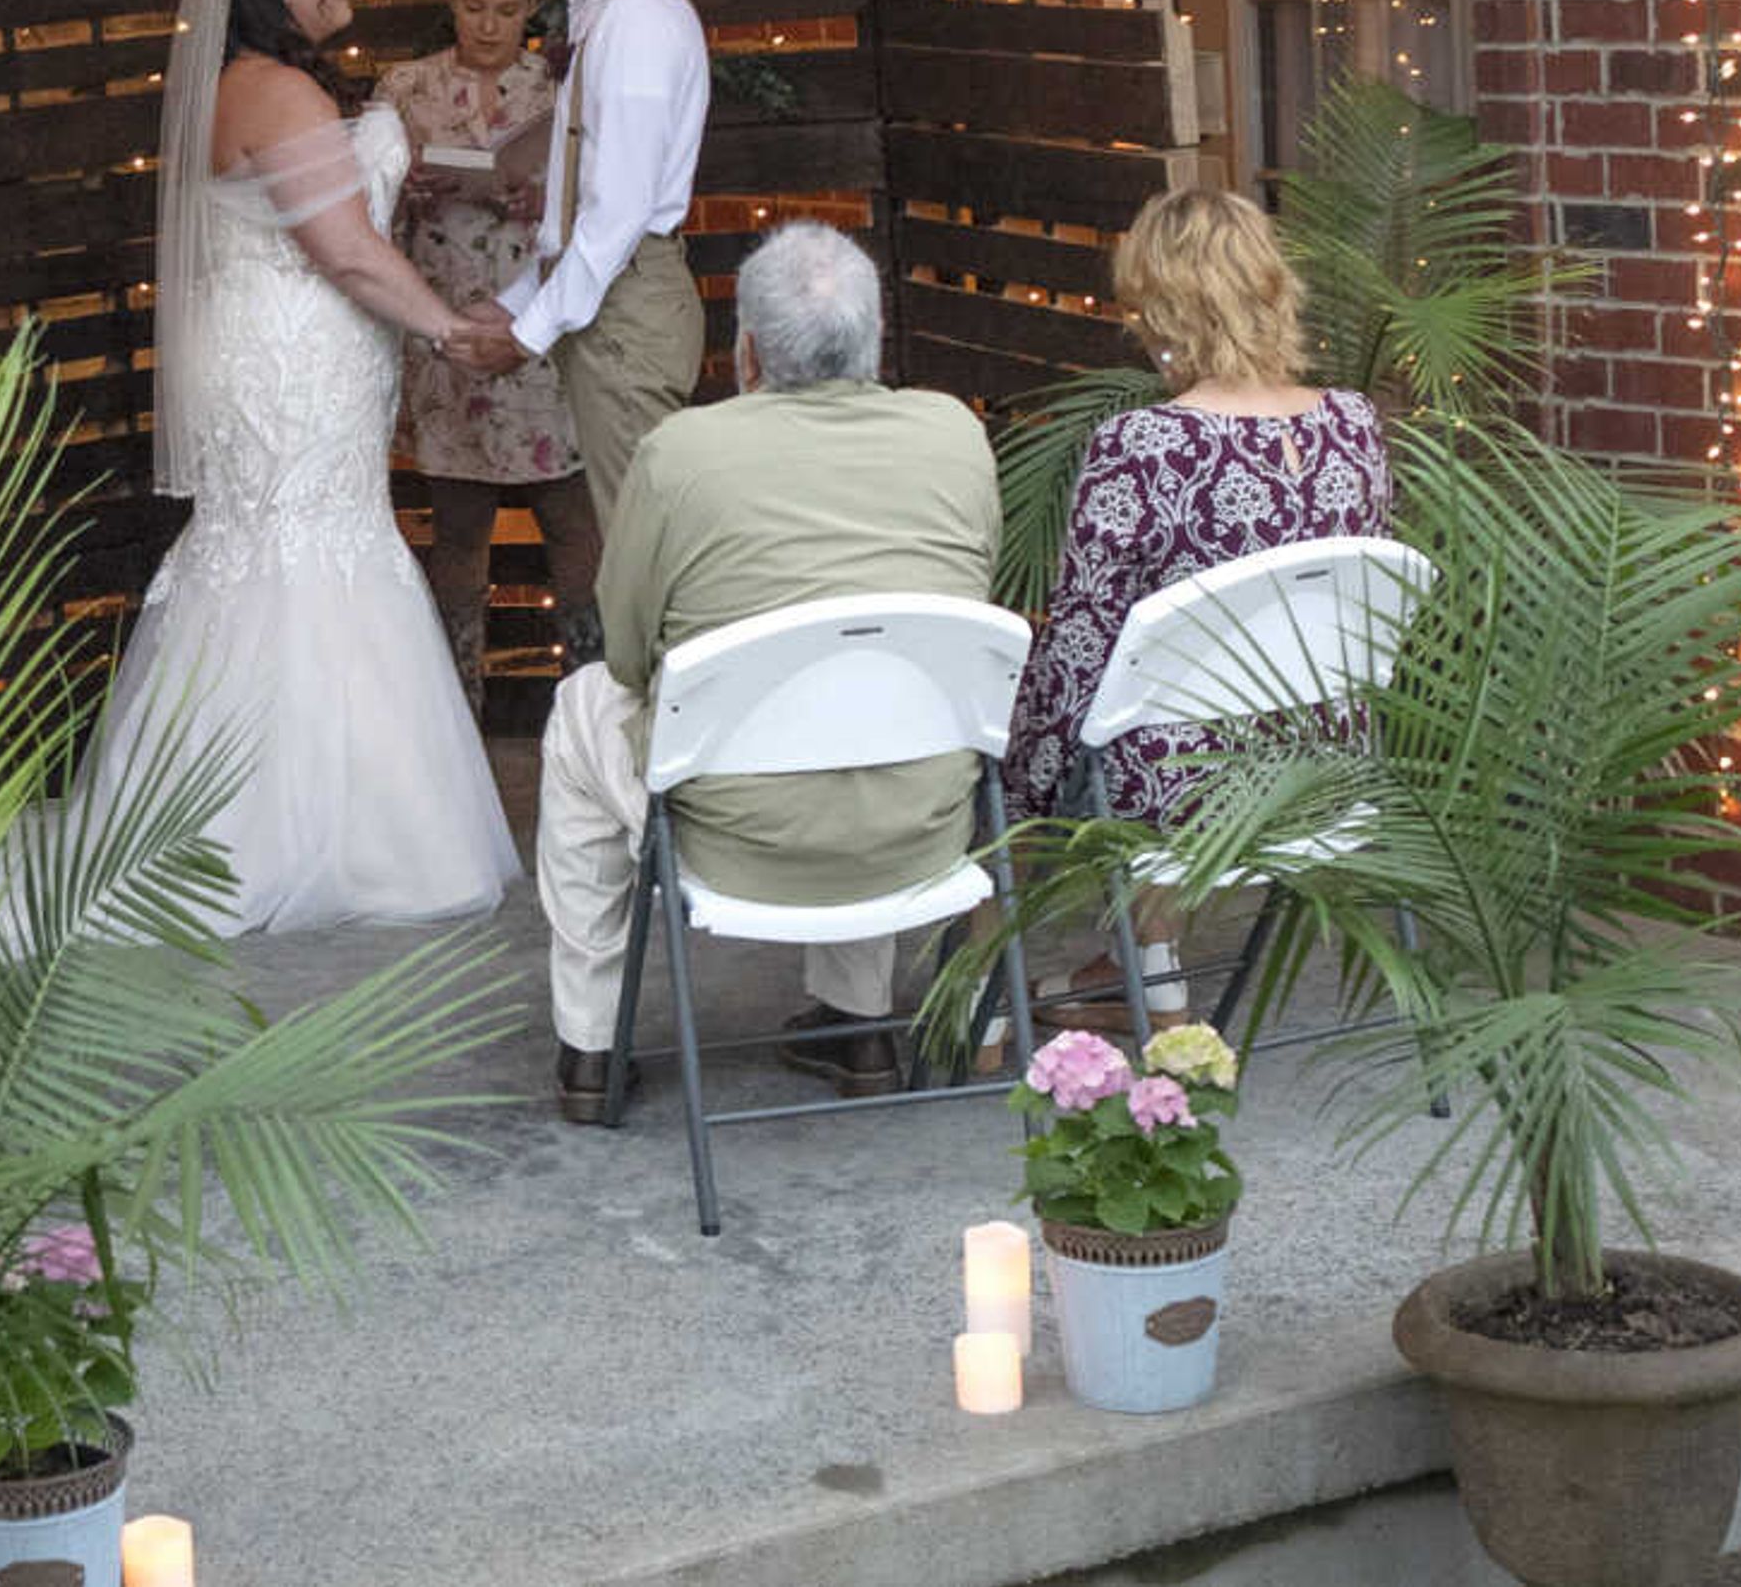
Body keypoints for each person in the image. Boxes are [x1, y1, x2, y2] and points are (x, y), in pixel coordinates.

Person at [77, 0, 522, 936]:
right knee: (306, 545)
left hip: (271, 347)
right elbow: (350, 249)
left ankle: (247, 808)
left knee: (271, 545)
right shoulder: (275, 90)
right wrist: (454, 333)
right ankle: (320, 833)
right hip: (291, 362)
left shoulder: (247, 86)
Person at [535, 223, 1000, 1121]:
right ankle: (858, 1028)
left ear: (746, 350)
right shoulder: (953, 435)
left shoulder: (682, 453)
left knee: (580, 706)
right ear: (876, 342)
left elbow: (629, 656)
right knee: (881, 682)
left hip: (731, 835)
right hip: (920, 822)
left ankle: (590, 1050)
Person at [998, 188, 1392, 1019]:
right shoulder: (1354, 426)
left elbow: (1080, 643)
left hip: (1184, 791)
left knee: (1027, 757)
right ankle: (1132, 968)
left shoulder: (1142, 446)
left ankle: (1000, 1006)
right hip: (1325, 768)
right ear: (1271, 287)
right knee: (1171, 704)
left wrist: (1015, 775)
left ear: (1161, 304)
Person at [376, 0, 604, 690]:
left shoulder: (557, 87)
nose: (489, 25)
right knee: (459, 534)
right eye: (474, 7)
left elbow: (595, 202)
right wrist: (409, 185)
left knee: (575, 524)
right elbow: (368, 220)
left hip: (541, 334)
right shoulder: (405, 89)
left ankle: (591, 703)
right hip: (447, 338)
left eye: (507, 11)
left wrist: (538, 196)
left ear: (532, 6)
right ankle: (457, 715)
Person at [498, 0, 713, 543]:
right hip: (615, 303)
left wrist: (526, 332)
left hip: (629, 308)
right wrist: (517, 299)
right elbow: (582, 192)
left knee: (642, 544)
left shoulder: (639, 16)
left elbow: (617, 208)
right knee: (632, 533)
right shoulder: (610, 5)